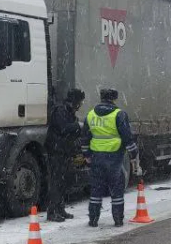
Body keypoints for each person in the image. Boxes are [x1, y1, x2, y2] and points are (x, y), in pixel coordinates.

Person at [81, 88, 140, 227]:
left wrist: (87, 155)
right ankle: (118, 219)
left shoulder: (90, 115)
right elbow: (127, 137)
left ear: (101, 98)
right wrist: (133, 154)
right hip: (114, 158)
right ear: (114, 99)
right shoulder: (119, 115)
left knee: (96, 190)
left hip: (96, 157)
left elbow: (84, 138)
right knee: (117, 190)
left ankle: (93, 219)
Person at [44, 88, 86, 222]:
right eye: (79, 102)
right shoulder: (60, 110)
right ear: (74, 100)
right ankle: (52, 212)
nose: (80, 105)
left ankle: (60, 208)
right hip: (56, 151)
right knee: (56, 181)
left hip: (64, 151)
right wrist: (77, 126)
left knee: (63, 181)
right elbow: (64, 129)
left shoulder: (68, 111)